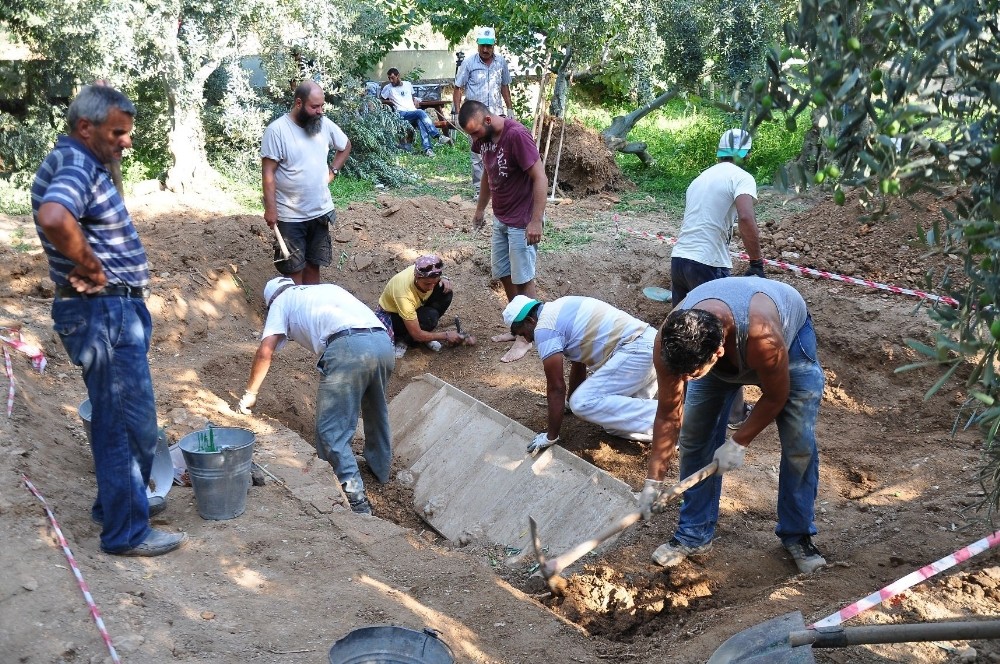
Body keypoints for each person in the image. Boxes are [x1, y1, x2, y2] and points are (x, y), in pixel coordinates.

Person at [32, 85, 186, 556]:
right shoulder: (77, 163)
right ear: (86, 127)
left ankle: (119, 504)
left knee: (134, 423)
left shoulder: (78, 161)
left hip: (113, 312)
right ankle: (125, 532)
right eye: (118, 133)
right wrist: (92, 266)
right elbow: (56, 216)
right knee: (123, 424)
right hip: (103, 312)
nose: (127, 142)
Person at [639, 278, 825, 575]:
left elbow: (777, 395)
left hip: (789, 339)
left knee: (798, 443)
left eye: (693, 374)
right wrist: (653, 482)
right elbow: (668, 414)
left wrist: (738, 442)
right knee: (695, 439)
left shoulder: (764, 338)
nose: (685, 381)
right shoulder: (670, 341)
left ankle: (797, 535)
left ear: (718, 353)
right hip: (722, 347)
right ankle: (693, 535)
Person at [237, 278, 394, 516]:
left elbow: (265, 351)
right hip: (383, 343)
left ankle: (355, 499)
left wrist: (250, 394)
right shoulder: (324, 290)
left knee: (331, 430)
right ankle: (380, 470)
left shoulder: (280, 302)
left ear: (270, 301)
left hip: (349, 348)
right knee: (376, 412)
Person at [669, 127, 766, 428]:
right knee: (725, 337)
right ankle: (735, 415)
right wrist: (756, 262)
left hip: (680, 260)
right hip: (708, 264)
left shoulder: (700, 178)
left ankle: (677, 404)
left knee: (683, 336)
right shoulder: (740, 177)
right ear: (746, 153)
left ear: (720, 150)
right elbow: (746, 218)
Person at [503, 295, 658, 455]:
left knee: (582, 403)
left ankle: (677, 418)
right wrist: (569, 401)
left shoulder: (545, 329)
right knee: (614, 425)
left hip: (636, 353)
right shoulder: (560, 307)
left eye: (523, 333)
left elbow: (556, 387)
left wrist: (550, 436)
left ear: (530, 321)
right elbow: (579, 361)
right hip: (652, 347)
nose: (527, 339)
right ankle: (673, 434)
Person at [459, 100, 547, 363]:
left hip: (522, 219)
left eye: (474, 132)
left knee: (523, 278)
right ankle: (518, 326)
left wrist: (536, 221)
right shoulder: (483, 139)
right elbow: (488, 172)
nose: (473, 139)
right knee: (504, 273)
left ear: (487, 120)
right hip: (502, 217)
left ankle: (528, 336)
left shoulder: (516, 136)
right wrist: (480, 209)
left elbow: (540, 177)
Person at [261, 80, 352, 285]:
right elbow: (268, 173)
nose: (320, 111)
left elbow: (345, 145)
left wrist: (333, 171)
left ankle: (311, 312)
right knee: (293, 271)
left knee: (313, 265)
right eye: (314, 107)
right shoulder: (277, 131)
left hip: (319, 212)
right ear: (299, 103)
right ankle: (295, 313)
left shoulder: (324, 124)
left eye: (322, 106)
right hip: (290, 216)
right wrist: (271, 210)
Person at [451, 26, 514, 197]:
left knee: (500, 151)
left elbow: (504, 86)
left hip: (496, 115)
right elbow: (458, 88)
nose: (485, 49)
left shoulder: (501, 62)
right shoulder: (469, 63)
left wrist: (509, 108)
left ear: (494, 44)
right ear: (477, 45)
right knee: (478, 154)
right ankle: (480, 190)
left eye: (489, 46)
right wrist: (457, 113)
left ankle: (499, 189)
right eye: (482, 46)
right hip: (475, 118)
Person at [373, 255, 472, 359]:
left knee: (445, 291)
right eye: (427, 284)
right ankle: (403, 340)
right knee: (429, 318)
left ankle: (424, 333)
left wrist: (443, 279)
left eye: (434, 282)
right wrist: (446, 335)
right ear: (416, 277)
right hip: (393, 316)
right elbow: (417, 334)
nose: (431, 287)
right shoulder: (404, 294)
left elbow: (434, 277)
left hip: (415, 306)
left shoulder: (424, 270)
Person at [380, 68, 452, 156]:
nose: (391, 80)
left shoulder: (408, 84)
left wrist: (416, 101)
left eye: (392, 78)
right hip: (400, 114)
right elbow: (381, 100)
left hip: (412, 113)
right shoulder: (388, 88)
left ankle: (428, 149)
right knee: (420, 112)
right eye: (389, 78)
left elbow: (412, 97)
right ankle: (437, 136)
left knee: (421, 121)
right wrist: (390, 104)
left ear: (398, 76)